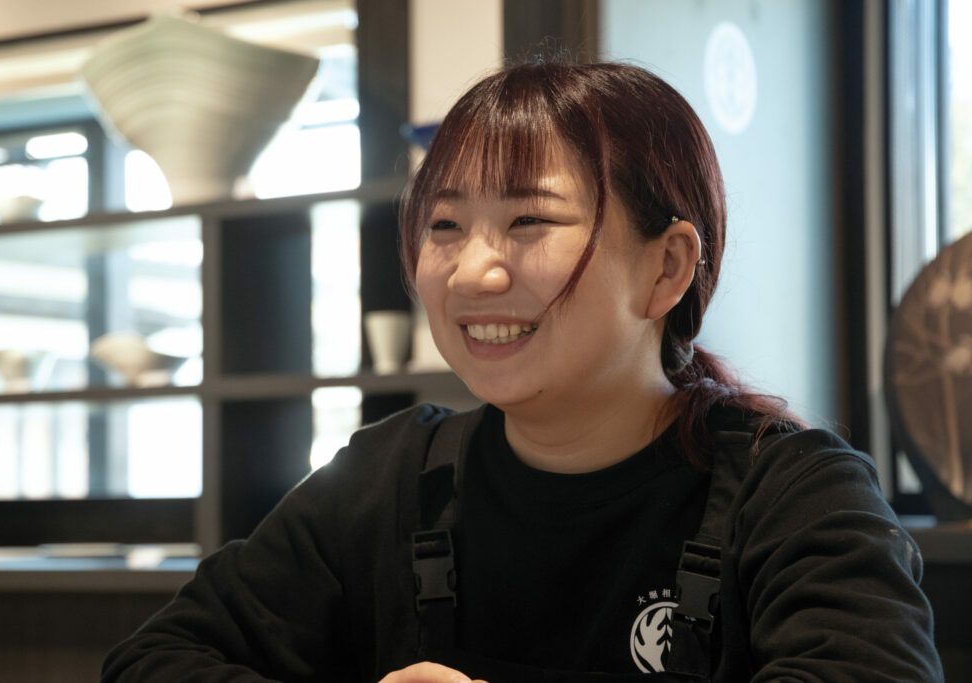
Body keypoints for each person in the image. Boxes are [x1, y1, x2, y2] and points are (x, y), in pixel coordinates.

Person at [102, 60, 944, 682]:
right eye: (444, 226)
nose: (473, 272)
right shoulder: (393, 479)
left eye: (530, 221)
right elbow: (153, 659)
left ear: (666, 269)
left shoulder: (792, 492)